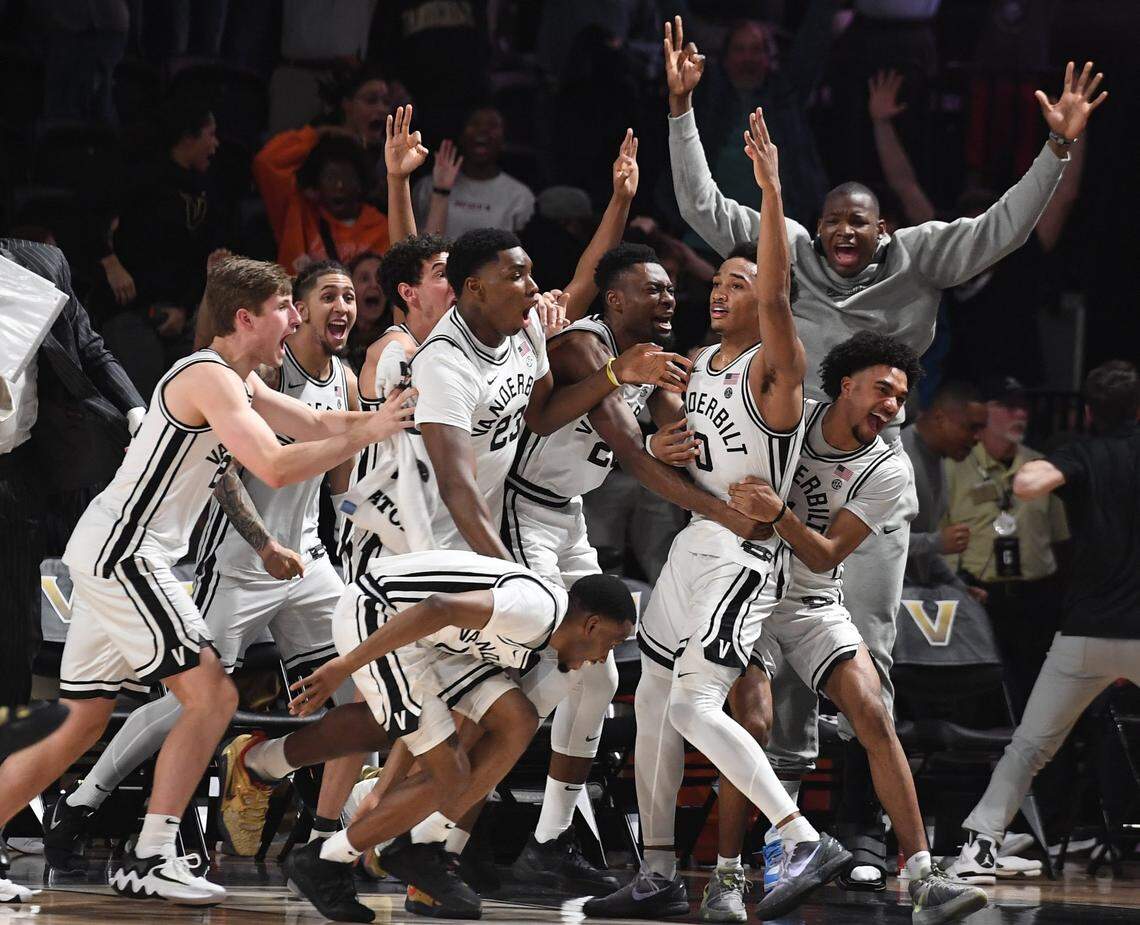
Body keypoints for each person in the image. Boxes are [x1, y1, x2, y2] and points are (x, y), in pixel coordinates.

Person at [665, 20, 1105, 878]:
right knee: (772, 652)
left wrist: (1055, 148)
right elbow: (704, 210)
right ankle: (779, 833)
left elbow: (1006, 228)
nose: (843, 234)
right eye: (832, 221)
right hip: (786, 467)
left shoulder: (922, 254)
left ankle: (868, 831)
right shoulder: (786, 249)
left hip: (867, 472)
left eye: (858, 224)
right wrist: (681, 109)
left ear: (883, 228)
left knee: (865, 652)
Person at [0, 256, 414, 906]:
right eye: (284, 309)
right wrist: (369, 430)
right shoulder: (207, 376)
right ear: (244, 317)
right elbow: (276, 465)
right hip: (125, 553)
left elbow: (310, 425)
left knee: (78, 724)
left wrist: (375, 421)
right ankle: (150, 853)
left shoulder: (240, 381)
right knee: (212, 697)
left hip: (115, 552)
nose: (294, 320)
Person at [584, 108, 845, 921]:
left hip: (746, 552)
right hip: (693, 546)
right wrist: (666, 442)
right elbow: (665, 425)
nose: (726, 292)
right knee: (656, 700)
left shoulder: (778, 366)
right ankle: (658, 869)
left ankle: (799, 834)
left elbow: (775, 289)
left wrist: (769, 193)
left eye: (740, 283)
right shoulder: (693, 365)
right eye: (719, 283)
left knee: (700, 703)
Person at [504, 240, 771, 894]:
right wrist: (719, 509)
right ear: (615, 299)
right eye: (654, 290)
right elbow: (630, 451)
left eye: (672, 290)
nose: (669, 300)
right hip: (519, 512)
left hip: (567, 516)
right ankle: (452, 810)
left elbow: (678, 438)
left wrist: (709, 448)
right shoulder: (582, 347)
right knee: (537, 671)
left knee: (595, 672)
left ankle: (548, 840)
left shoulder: (653, 361)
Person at [716, 332, 988, 924]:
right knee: (754, 721)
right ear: (846, 385)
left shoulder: (890, 468)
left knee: (872, 711)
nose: (892, 405)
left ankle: (921, 878)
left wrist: (778, 513)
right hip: (752, 589)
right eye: (882, 390)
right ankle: (726, 877)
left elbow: (823, 554)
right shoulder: (792, 421)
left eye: (900, 398)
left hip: (813, 595)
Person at [246, 551, 638, 923]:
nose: (604, 657)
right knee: (447, 773)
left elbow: (454, 717)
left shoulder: (537, 638)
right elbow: (437, 607)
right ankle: (324, 860)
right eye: (612, 644)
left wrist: (387, 788)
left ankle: (421, 846)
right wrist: (344, 666)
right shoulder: (534, 612)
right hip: (379, 615)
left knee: (517, 717)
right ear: (591, 625)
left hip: (431, 642)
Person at [947, 360, 1140, 882]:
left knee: (1030, 746)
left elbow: (1031, 482)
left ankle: (982, 845)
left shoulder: (1080, 452)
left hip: (1085, 634)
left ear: (1086, 411)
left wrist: (1055, 469)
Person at [867, 69, 1088, 387]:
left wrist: (1073, 132)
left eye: (991, 233)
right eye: (973, 235)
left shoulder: (1023, 259)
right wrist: (881, 123)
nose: (980, 244)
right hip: (952, 398)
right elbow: (905, 186)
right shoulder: (946, 261)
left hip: (1016, 395)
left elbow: (1064, 195)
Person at [0, 241, 144, 714]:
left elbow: (91, 349)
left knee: (15, 629)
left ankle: (9, 765)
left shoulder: (37, 264)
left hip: (15, 470)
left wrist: (135, 410)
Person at [943, 377, 1070, 714]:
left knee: (1034, 692)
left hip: (1035, 598)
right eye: (1008, 406)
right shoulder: (955, 464)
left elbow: (1061, 540)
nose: (1020, 414)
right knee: (979, 695)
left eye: (1023, 406)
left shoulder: (1042, 466)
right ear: (983, 411)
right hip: (978, 595)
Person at [99, 96, 224, 398]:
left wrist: (182, 308)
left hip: (180, 313)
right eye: (210, 134)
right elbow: (90, 218)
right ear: (188, 137)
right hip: (131, 310)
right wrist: (109, 260)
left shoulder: (204, 190)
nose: (216, 144)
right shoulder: (140, 179)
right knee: (143, 388)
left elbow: (198, 259)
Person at [254, 125, 390, 274]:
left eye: (347, 177)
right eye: (330, 178)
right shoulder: (297, 215)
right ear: (316, 184)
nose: (339, 185)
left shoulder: (383, 229)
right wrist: (319, 134)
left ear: (361, 183)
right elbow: (267, 161)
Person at [903, 381, 989, 589]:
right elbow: (875, 540)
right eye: (971, 428)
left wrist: (959, 587)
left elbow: (923, 554)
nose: (978, 438)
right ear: (941, 418)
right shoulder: (898, 455)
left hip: (913, 597)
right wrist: (936, 542)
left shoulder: (939, 459)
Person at [413, 106, 535, 240]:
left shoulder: (520, 196)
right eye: (474, 124)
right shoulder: (428, 186)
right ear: (461, 135)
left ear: (504, 138)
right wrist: (441, 191)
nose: (483, 130)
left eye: (493, 125)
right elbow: (412, 245)